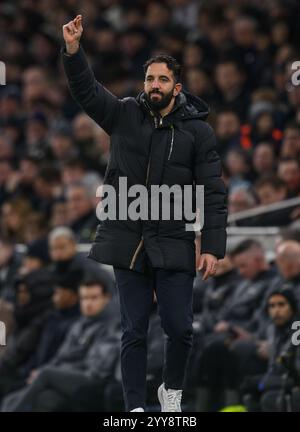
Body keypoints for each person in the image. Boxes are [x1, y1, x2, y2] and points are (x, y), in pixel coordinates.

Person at [61, 14, 227, 412]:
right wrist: (72, 49)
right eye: (150, 79)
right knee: (132, 330)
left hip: (173, 238)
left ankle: (172, 393)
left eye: (163, 80)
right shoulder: (122, 114)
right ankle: (134, 407)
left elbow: (213, 191)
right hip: (127, 237)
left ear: (177, 87)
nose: (154, 86)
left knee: (179, 328)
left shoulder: (198, 132)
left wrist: (213, 247)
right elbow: (86, 90)